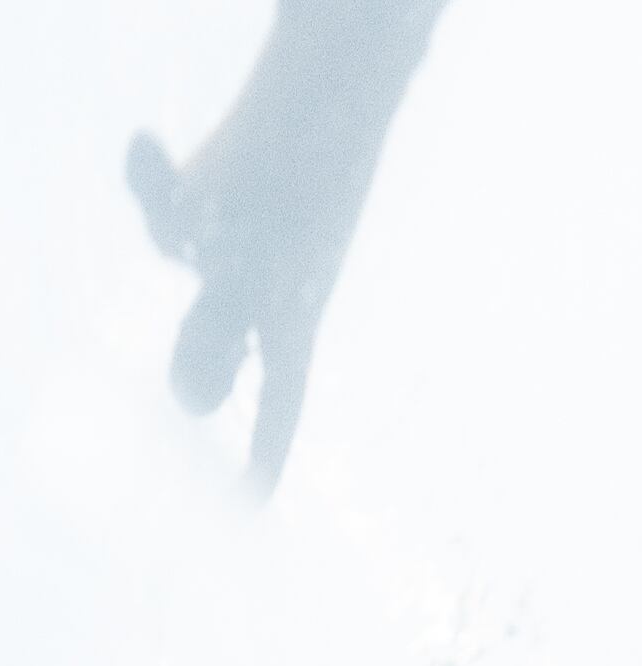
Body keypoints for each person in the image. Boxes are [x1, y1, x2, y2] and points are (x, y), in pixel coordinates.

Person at [127, 0, 451, 489]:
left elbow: (279, 418)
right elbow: (140, 152)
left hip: (384, 44)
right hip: (318, 19)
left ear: (237, 358)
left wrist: (250, 494)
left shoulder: (287, 313)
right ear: (187, 324)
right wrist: (162, 207)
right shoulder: (189, 230)